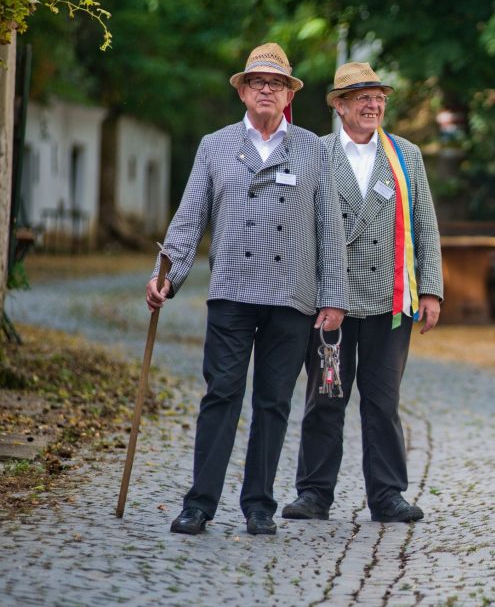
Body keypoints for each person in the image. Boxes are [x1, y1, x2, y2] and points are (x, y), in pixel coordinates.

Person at [147, 43, 348, 536]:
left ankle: (259, 504)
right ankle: (199, 503)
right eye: (257, 82)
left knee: (273, 402)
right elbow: (189, 219)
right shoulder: (214, 146)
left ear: (287, 95)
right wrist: (165, 276)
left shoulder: (312, 148)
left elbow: (329, 227)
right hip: (232, 291)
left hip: (291, 296)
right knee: (221, 396)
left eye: (275, 84)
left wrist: (334, 296)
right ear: (242, 90)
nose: (266, 90)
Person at [280, 62, 443, 524]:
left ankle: (388, 495)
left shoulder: (405, 154)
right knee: (325, 396)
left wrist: (430, 290)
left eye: (379, 98)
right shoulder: (315, 152)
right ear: (339, 105)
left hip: (390, 301)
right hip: (331, 300)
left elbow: (425, 225)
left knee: (382, 400)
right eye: (362, 98)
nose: (373, 106)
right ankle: (313, 492)